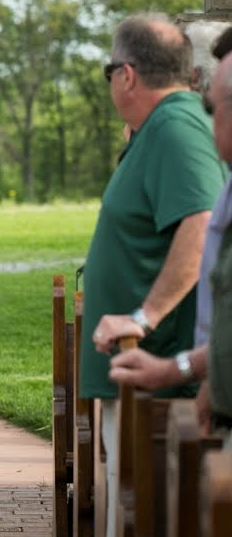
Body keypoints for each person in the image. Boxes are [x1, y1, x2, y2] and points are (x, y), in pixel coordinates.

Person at [80, 14, 228, 537]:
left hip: (157, 374)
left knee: (148, 514)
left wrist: (145, 315)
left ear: (127, 75)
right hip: (138, 377)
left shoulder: (176, 125)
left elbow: (202, 219)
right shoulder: (163, 126)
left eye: (108, 72)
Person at [103, 39, 232, 437]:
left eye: (211, 108)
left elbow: (197, 227)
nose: (207, 123)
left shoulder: (177, 134)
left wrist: (146, 320)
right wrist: (202, 375)